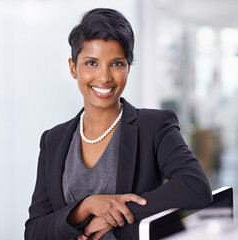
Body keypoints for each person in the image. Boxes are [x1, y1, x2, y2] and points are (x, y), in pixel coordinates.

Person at [25, 8, 212, 240]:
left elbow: (195, 187)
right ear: (74, 68)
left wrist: (114, 213)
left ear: (128, 68)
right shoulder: (53, 140)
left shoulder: (153, 127)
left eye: (116, 64)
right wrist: (85, 207)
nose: (104, 77)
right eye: (92, 63)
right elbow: (34, 231)